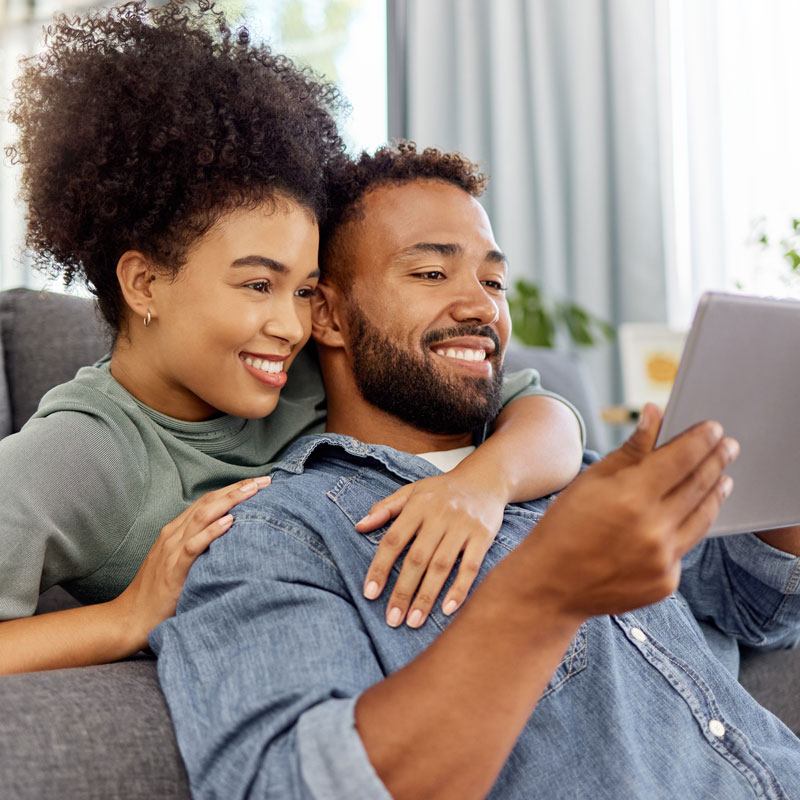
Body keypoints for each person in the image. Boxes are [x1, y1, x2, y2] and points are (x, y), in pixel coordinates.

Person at [152, 143, 800, 800]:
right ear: (328, 314)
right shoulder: (282, 534)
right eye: (432, 274)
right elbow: (288, 787)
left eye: (493, 281)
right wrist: (545, 592)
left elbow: (759, 607)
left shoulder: (571, 477)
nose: (482, 307)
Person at [0, 3, 584, 674]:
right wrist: (126, 617)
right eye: (257, 286)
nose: (291, 325)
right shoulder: (83, 454)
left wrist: (486, 481)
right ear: (144, 283)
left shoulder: (304, 368)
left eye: (306, 290)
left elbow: (545, 411)